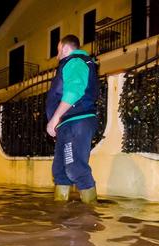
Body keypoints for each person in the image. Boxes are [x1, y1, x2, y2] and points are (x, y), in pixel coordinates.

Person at [45, 34, 99, 203]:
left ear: (66, 49)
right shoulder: (70, 64)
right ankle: (60, 213)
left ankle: (91, 214)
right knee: (60, 171)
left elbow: (74, 92)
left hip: (77, 120)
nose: (56, 56)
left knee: (75, 168)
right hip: (68, 123)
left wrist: (55, 119)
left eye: (58, 51)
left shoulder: (75, 61)